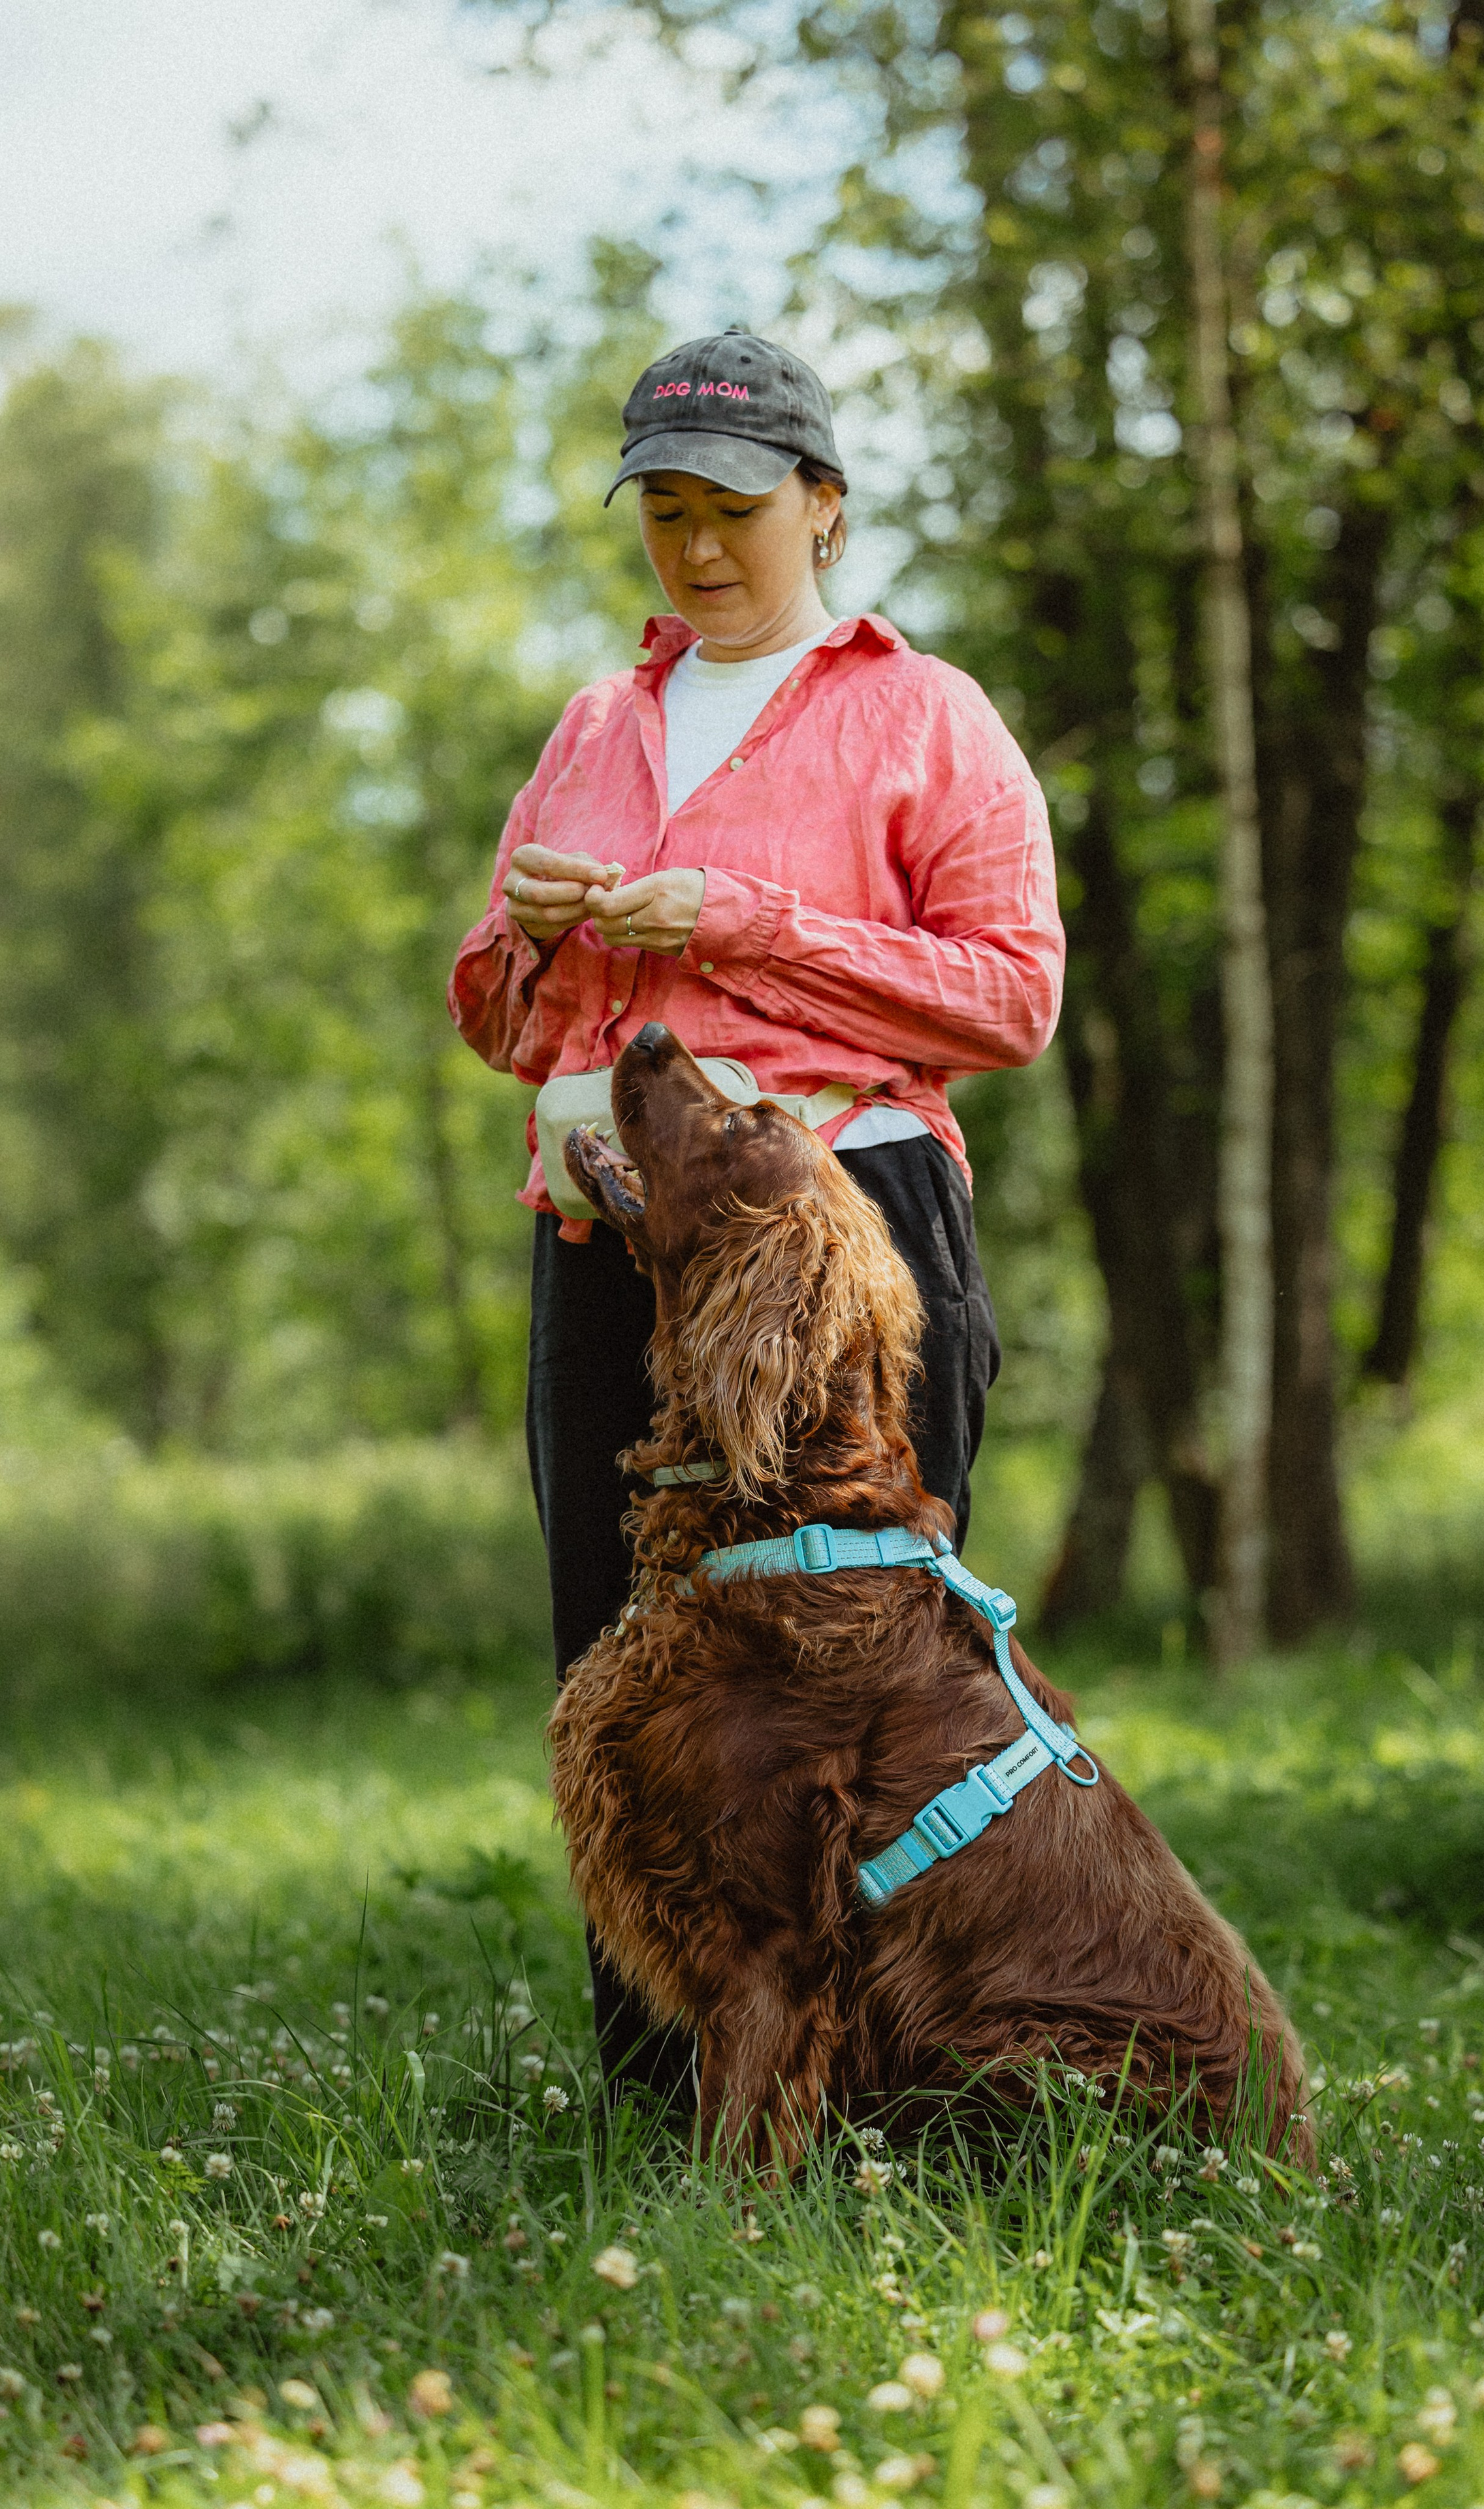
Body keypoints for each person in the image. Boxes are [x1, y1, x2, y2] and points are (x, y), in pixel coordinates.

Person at [449, 325, 1064, 2101]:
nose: (701, 547)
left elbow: (1010, 998)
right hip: (610, 1248)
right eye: (665, 514)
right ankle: (666, 2117)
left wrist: (733, 923)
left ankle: (900, 2098)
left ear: (826, 507)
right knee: (629, 1675)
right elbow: (497, 1018)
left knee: (864, 1672)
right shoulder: (593, 726)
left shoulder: (924, 715)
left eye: (737, 508)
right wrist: (543, 941)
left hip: (843, 1238)